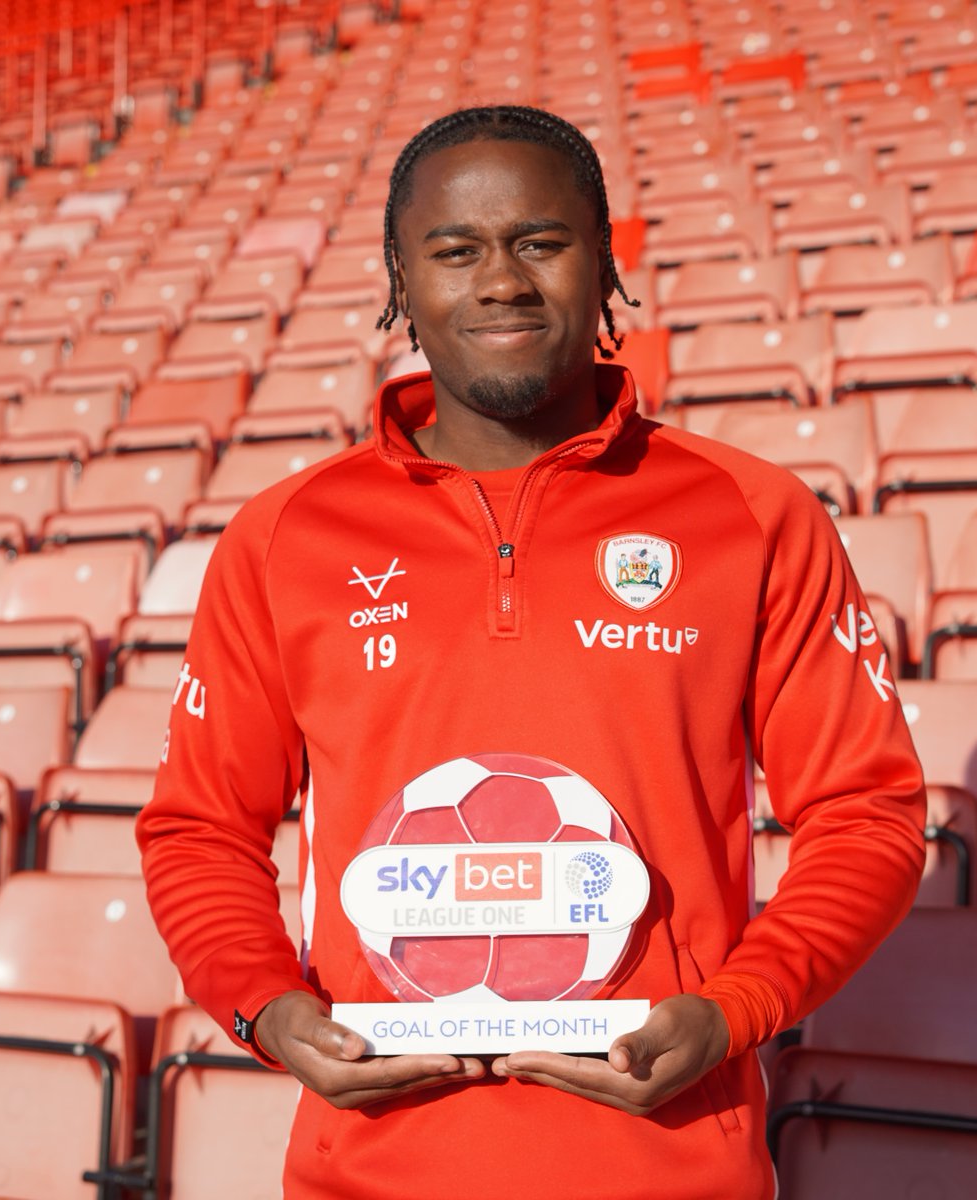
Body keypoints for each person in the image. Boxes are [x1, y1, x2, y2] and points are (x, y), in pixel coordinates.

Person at [137, 105, 927, 1200]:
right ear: (398, 280)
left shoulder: (754, 516)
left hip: (671, 1167)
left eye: (541, 243)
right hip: (371, 1168)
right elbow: (200, 828)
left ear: (605, 264)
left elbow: (867, 814)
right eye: (454, 251)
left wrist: (737, 1007)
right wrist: (267, 1006)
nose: (499, 281)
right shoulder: (283, 539)